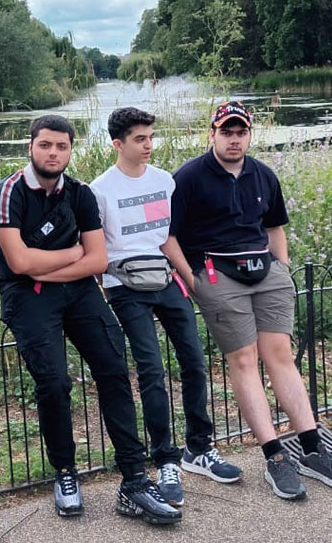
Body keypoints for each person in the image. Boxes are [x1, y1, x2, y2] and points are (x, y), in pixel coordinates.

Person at [0, 114, 181, 525]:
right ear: (31, 146)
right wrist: (66, 257)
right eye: (45, 145)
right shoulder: (9, 193)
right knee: (54, 382)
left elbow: (97, 259)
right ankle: (65, 472)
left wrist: (51, 265)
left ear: (71, 150)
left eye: (61, 146)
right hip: (28, 297)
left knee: (113, 369)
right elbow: (18, 262)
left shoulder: (79, 194)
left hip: (77, 291)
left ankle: (133, 480)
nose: (53, 153)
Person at [168, 100, 332, 500]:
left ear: (250, 135)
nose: (234, 139)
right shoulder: (187, 178)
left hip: (265, 270)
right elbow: (168, 235)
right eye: (227, 132)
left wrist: (282, 269)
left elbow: (274, 227)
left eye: (241, 133)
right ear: (212, 134)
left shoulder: (263, 175)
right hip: (217, 272)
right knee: (243, 360)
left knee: (281, 355)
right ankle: (274, 456)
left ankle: (311, 447)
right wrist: (195, 280)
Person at [89, 107, 242, 507]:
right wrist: (106, 290)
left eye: (151, 137)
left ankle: (199, 447)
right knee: (152, 370)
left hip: (165, 279)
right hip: (125, 286)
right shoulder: (100, 189)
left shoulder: (164, 182)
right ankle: (165, 460)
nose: (149, 146)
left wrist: (191, 283)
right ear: (118, 144)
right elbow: (96, 249)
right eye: (140, 139)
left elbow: (166, 237)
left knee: (194, 361)